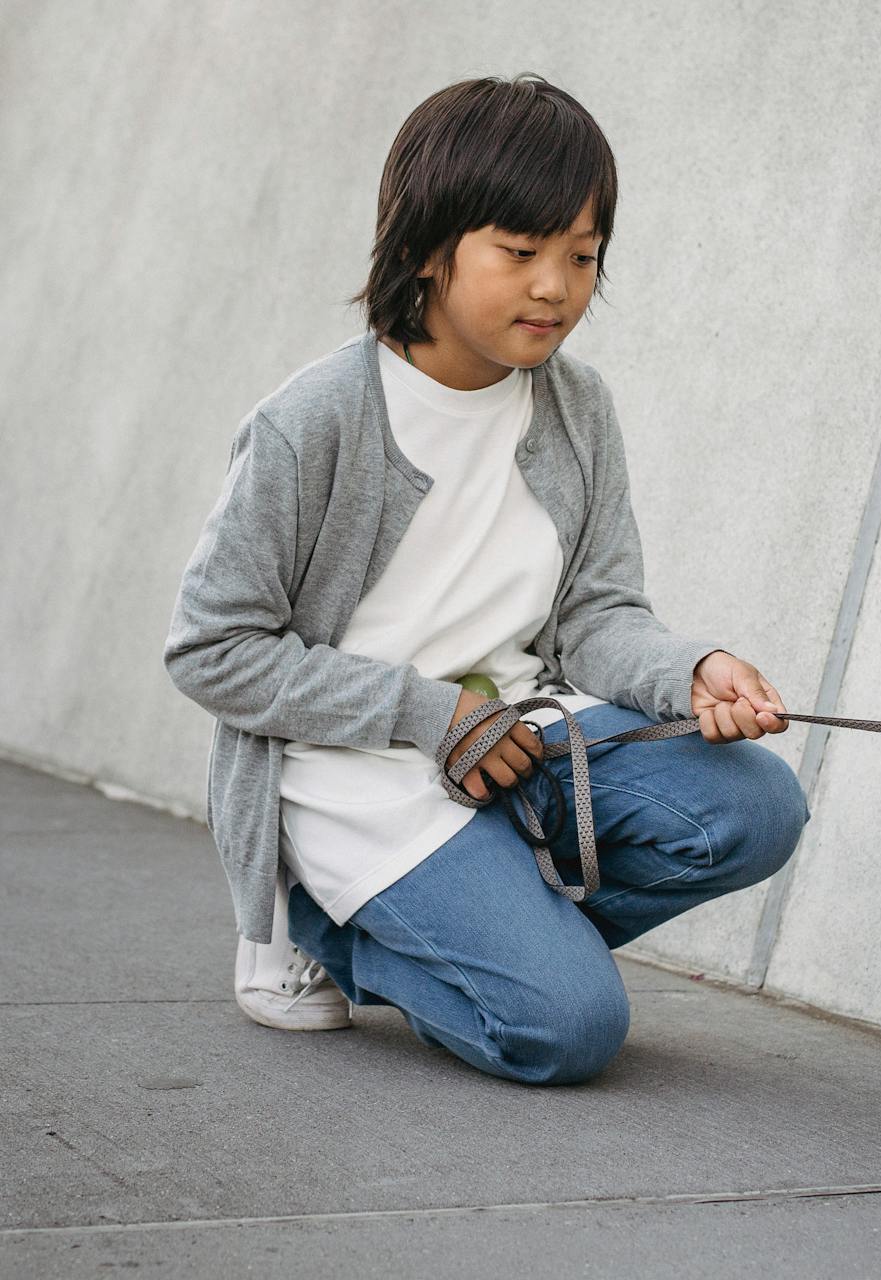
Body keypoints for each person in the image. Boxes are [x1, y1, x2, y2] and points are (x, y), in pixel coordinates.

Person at [164, 72, 810, 1085]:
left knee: (758, 805)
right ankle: (322, 926)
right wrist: (427, 714)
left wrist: (692, 670)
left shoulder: (577, 408)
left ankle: (491, 934)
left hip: (521, 739)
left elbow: (597, 615)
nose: (555, 286)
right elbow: (211, 649)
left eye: (582, 256)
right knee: (568, 1030)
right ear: (426, 245)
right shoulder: (317, 422)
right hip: (356, 772)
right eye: (520, 252)